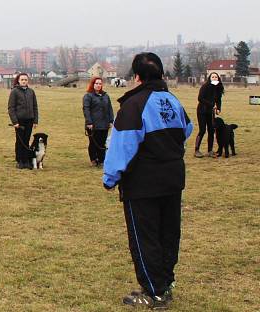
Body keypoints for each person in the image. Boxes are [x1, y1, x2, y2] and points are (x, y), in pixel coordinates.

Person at [103, 52, 193, 309]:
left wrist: (110, 178)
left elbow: (122, 146)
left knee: (145, 238)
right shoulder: (172, 100)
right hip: (173, 179)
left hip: (143, 183)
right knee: (168, 234)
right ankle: (164, 283)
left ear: (137, 76)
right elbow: (187, 128)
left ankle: (153, 292)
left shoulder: (134, 105)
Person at [7, 73, 39, 169]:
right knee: (20, 141)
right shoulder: (14, 92)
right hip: (19, 121)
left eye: (25, 79)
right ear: (18, 81)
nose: (24, 81)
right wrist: (15, 122)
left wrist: (35, 120)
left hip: (29, 120)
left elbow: (35, 107)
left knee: (27, 140)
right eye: (22, 80)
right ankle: (19, 160)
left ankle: (26, 161)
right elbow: (11, 108)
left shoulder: (31, 92)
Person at [83, 77, 114, 167]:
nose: (98, 85)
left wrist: (111, 120)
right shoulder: (88, 96)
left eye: (100, 84)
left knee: (102, 143)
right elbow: (86, 109)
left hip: (104, 124)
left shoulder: (105, 96)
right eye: (96, 83)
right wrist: (89, 122)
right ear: (93, 84)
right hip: (93, 125)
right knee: (93, 143)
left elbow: (110, 109)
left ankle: (101, 160)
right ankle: (93, 159)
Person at [194, 72, 224, 158]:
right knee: (202, 130)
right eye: (213, 77)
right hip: (202, 111)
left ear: (218, 79)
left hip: (210, 112)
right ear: (210, 78)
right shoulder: (205, 86)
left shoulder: (218, 88)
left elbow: (218, 100)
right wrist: (211, 105)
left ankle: (210, 151)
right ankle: (196, 150)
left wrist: (218, 108)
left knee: (211, 130)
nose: (214, 78)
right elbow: (200, 98)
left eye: (216, 77)